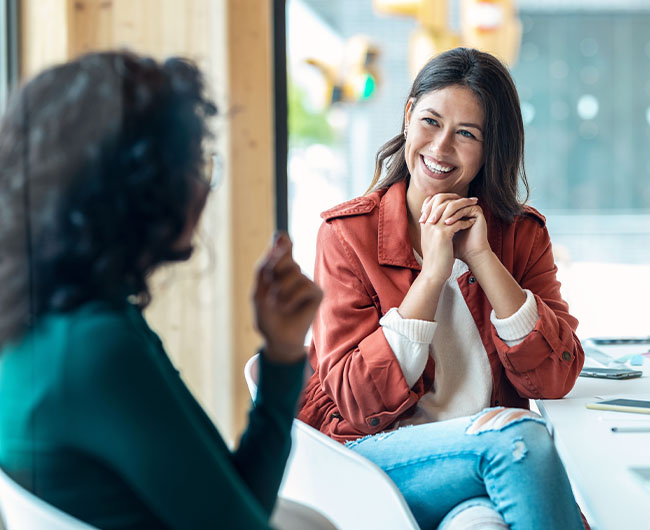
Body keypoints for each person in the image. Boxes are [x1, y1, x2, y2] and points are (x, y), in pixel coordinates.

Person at [0, 51, 323, 529]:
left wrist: (282, 353)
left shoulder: (52, 323)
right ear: (142, 188)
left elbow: (238, 503)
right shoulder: (96, 351)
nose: (204, 187)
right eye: (195, 165)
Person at [298, 47, 588, 530]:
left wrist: (481, 257)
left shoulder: (521, 235)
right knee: (523, 441)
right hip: (377, 458)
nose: (441, 147)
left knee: (480, 523)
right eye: (430, 121)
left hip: (478, 468)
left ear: (490, 147)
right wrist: (432, 276)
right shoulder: (347, 235)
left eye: (466, 134)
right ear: (409, 115)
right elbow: (356, 401)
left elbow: (554, 381)